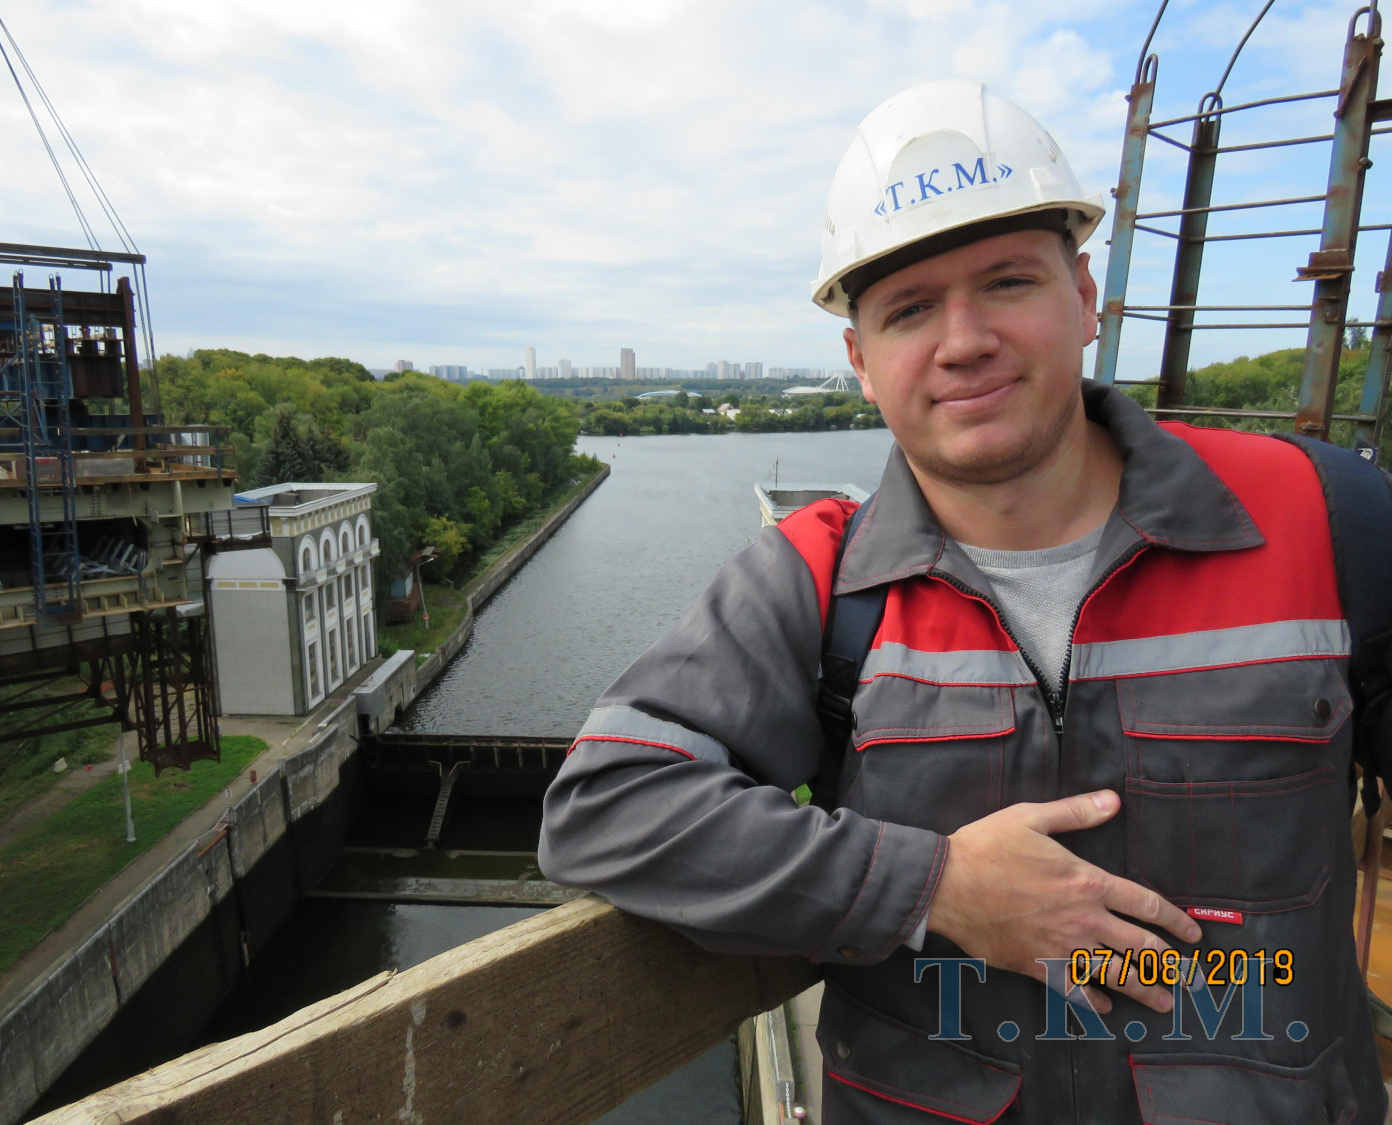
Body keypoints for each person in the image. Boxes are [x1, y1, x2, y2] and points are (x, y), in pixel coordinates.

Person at [539, 80, 1386, 1124]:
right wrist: (933, 886)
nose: (964, 339)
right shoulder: (817, 583)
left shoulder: (1321, 518)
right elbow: (605, 809)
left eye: (1006, 282)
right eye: (907, 309)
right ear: (860, 361)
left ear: (1084, 297)